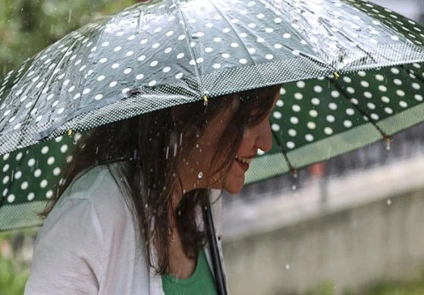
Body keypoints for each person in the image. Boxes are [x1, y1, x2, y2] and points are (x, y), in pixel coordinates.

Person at [24, 85, 281, 294]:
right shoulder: (89, 215)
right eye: (251, 117)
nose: (266, 142)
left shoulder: (205, 201)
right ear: (184, 108)